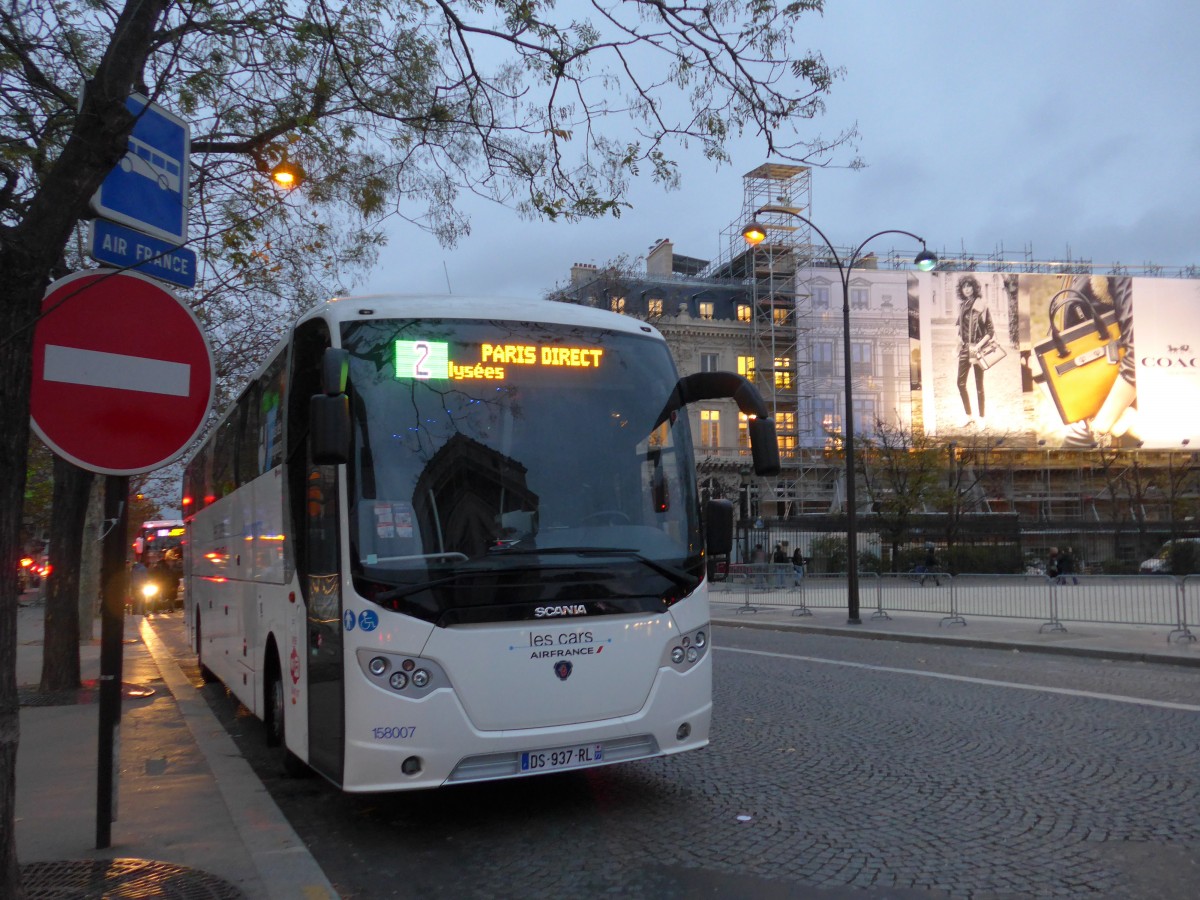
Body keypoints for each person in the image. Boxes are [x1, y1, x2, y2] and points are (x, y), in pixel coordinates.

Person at [955, 275, 994, 427]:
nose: (967, 289)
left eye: (969, 286)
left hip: (977, 347)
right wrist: (958, 340)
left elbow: (990, 331)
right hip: (965, 348)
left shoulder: (982, 305)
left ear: (974, 288)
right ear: (961, 290)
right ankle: (969, 416)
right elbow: (959, 328)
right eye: (964, 287)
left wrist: (978, 346)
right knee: (960, 383)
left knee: (979, 385)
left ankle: (982, 418)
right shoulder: (962, 306)